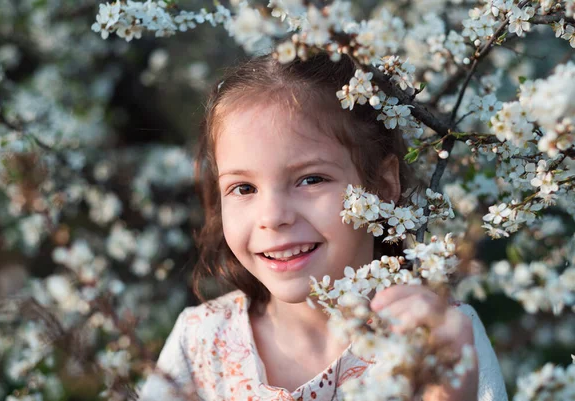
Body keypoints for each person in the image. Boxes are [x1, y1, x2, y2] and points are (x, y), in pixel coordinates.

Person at [139, 52, 508, 401]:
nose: (273, 216)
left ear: (381, 186)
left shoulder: (438, 335)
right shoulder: (201, 340)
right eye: (244, 188)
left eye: (311, 180)